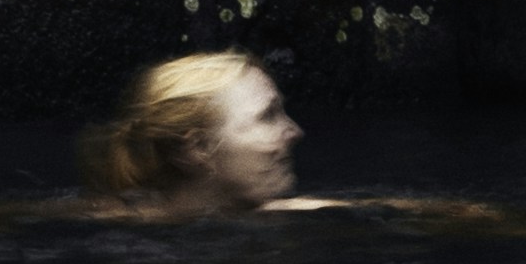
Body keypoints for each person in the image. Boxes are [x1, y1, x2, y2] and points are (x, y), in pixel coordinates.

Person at [76, 52, 340, 216]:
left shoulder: (294, 213)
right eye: (267, 116)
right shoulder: (107, 226)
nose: (295, 132)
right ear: (197, 148)